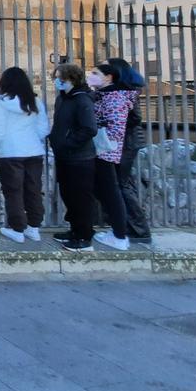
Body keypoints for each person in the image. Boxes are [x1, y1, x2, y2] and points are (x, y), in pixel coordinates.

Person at [0, 67, 49, 244]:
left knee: (13, 191)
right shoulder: (35, 102)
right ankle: (34, 227)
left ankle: (17, 229)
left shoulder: (1, 102)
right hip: (33, 151)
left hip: (10, 152)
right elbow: (43, 128)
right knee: (33, 190)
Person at [88, 61, 137, 251]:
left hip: (106, 151)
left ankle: (119, 235)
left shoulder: (115, 97)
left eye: (95, 72)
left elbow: (116, 129)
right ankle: (117, 232)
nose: (91, 75)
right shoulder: (104, 95)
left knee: (111, 192)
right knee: (106, 192)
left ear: (108, 77)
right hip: (100, 150)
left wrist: (95, 135)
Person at [50, 64, 99, 252]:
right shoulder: (63, 99)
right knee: (68, 195)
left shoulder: (82, 100)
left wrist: (67, 142)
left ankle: (84, 236)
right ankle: (74, 230)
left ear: (71, 78)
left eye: (60, 77)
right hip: (64, 156)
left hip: (80, 157)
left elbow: (89, 128)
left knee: (81, 197)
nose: (57, 80)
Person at [107, 57, 152, 244]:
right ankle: (128, 225)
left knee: (122, 185)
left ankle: (139, 230)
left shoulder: (127, 92)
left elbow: (134, 119)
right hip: (124, 143)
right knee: (122, 184)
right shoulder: (124, 91)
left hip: (126, 143)